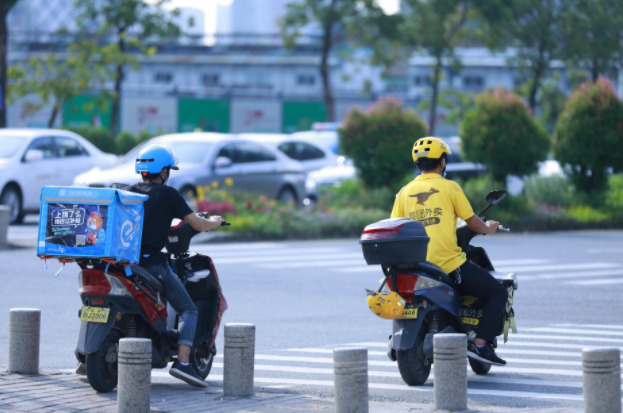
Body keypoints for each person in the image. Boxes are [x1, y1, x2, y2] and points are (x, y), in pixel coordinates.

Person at [390, 137, 508, 366]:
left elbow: (397, 226)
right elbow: (473, 222)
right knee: (498, 293)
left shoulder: (404, 192)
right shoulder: (450, 187)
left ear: (418, 164)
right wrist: (489, 229)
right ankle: (481, 344)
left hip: (415, 266)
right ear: (442, 162)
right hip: (447, 264)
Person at [127, 144, 223, 387]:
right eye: (168, 169)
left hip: (126, 265)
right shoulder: (168, 194)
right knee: (189, 310)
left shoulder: (128, 193)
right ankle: (182, 362)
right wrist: (215, 222)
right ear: (163, 171)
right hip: (152, 265)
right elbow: (198, 224)